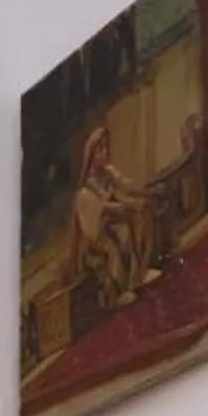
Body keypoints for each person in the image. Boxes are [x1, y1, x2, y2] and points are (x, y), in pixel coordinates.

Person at [70, 126, 161, 306]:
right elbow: (104, 210)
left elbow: (126, 185)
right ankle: (121, 292)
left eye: (106, 148)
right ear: (91, 156)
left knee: (140, 216)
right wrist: (128, 205)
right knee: (119, 237)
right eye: (100, 150)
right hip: (95, 239)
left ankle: (139, 274)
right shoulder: (84, 193)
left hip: (112, 224)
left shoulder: (108, 172)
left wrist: (147, 192)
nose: (105, 153)